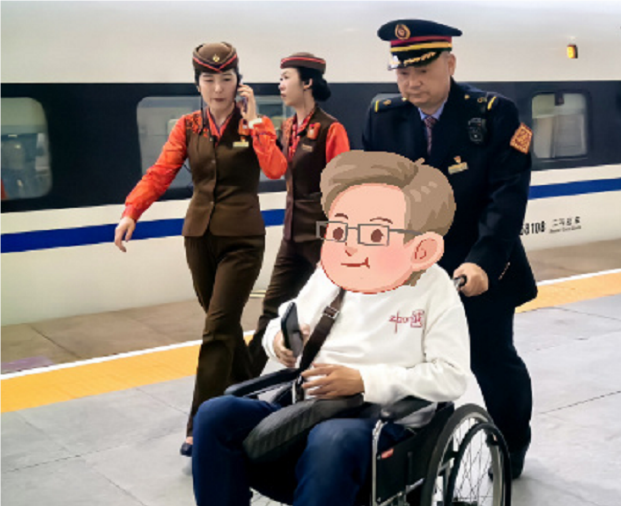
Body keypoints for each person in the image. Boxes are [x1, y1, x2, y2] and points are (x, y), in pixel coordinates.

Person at [191, 150, 470, 506]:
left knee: (331, 438)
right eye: (340, 230)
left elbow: (451, 376)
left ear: (420, 247)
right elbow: (287, 318)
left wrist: (364, 381)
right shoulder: (333, 273)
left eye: (374, 233)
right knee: (215, 415)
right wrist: (280, 341)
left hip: (385, 421)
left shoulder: (434, 288)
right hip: (309, 409)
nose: (349, 246)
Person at [363, 19, 537, 479]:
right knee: (411, 364)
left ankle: (511, 446)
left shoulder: (493, 113)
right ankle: (416, 455)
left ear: (450, 64)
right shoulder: (382, 116)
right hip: (411, 272)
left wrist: (482, 263)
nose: (411, 83)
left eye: (422, 71)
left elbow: (506, 198)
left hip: (480, 266)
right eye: (403, 73)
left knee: (491, 360)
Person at [113, 42, 286, 456]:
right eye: (209, 79)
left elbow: (276, 168)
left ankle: (199, 424)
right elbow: (160, 172)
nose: (218, 88)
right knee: (223, 329)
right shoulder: (188, 126)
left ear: (238, 82)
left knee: (215, 330)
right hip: (199, 237)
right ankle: (250, 397)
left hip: (243, 239)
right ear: (198, 84)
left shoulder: (255, 125)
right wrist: (132, 211)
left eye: (226, 79)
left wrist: (255, 120)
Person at [247, 52, 350, 376]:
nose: (280, 84)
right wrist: (255, 123)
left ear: (307, 82)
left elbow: (344, 190)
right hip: (292, 237)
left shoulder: (331, 129)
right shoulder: (289, 127)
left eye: (285, 77)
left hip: (322, 240)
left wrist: (335, 245)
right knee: (271, 310)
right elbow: (275, 169)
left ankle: (329, 380)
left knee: (331, 314)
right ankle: (242, 385)